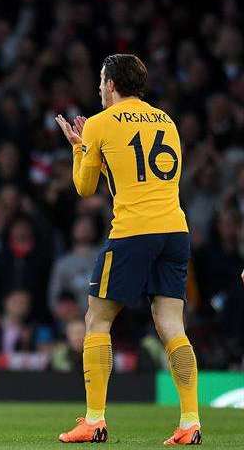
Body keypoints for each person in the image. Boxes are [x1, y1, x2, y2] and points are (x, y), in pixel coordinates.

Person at [55, 54, 201, 445]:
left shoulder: (100, 123)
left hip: (133, 231)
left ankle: (94, 420)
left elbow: (84, 188)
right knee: (172, 326)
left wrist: (79, 147)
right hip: (175, 229)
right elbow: (144, 174)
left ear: (111, 85)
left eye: (101, 81)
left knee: (97, 319)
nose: (98, 88)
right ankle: (190, 422)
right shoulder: (166, 121)